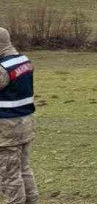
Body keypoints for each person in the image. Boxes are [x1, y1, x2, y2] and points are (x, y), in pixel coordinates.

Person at [0, 27, 38, 204]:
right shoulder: (23, 60)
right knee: (24, 170)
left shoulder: (3, 69)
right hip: (25, 125)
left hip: (7, 131)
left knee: (9, 177)